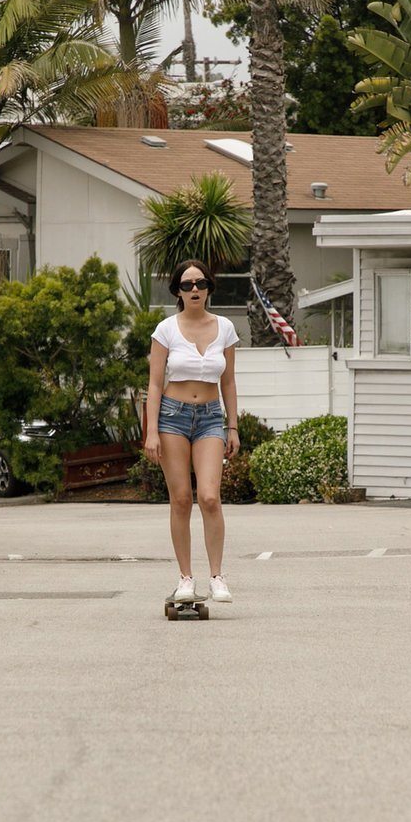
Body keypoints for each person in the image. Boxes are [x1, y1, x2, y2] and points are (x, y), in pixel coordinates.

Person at [144, 259, 240, 604]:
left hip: (211, 417)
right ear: (178, 292)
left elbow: (228, 382)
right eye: (187, 285)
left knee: (210, 497)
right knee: (181, 499)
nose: (195, 289)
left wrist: (232, 426)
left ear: (209, 288)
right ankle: (186, 578)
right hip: (173, 417)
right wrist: (151, 431)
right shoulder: (166, 330)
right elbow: (155, 384)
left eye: (200, 283)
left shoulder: (225, 328)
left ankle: (217, 576)